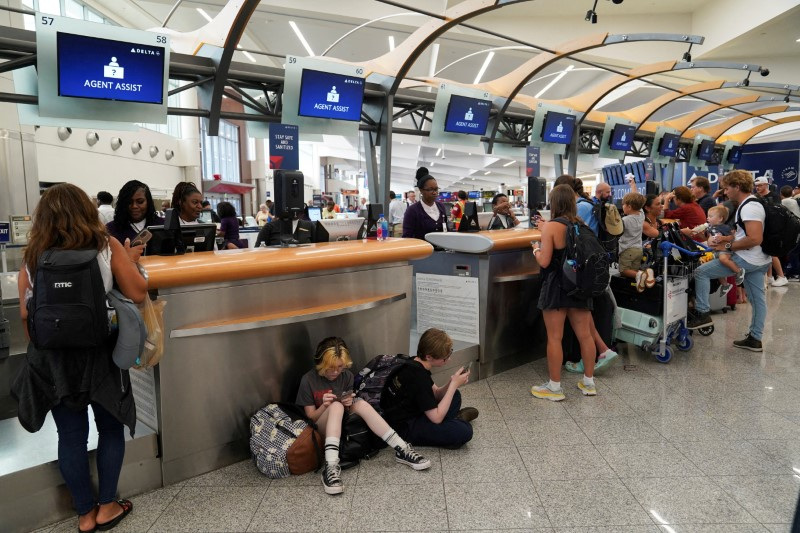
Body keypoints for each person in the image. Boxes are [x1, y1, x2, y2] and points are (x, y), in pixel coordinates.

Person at [12, 184, 147, 533]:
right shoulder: (105, 246)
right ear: (87, 212)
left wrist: (46, 350)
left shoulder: (32, 256)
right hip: (100, 354)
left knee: (70, 437)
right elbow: (137, 292)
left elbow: (27, 316)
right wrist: (127, 263)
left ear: (43, 218)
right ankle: (108, 506)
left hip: (55, 360)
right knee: (110, 428)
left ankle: (85, 515)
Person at [296, 337, 430, 495]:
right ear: (321, 364)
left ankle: (402, 448)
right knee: (336, 406)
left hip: (341, 424)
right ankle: (331, 467)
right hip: (320, 429)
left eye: (340, 367)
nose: (335, 372)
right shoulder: (308, 380)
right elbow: (310, 418)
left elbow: (347, 406)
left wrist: (348, 402)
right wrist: (325, 406)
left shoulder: (346, 376)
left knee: (361, 404)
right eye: (330, 367)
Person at [689, 170, 772, 352]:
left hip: (748, 258)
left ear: (737, 186)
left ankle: (702, 313)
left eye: (727, 188)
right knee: (758, 300)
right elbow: (744, 235)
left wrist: (726, 248)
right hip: (760, 259)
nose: (725, 192)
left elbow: (754, 238)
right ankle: (755, 339)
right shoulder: (751, 204)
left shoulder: (749, 206)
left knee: (701, 272)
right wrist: (726, 240)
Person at [530, 185, 597, 400]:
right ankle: (588, 383)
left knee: (555, 338)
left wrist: (535, 249)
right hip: (580, 287)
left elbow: (545, 261)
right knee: (585, 336)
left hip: (556, 287)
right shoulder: (582, 224)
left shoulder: (551, 226)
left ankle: (554, 388)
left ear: (554, 203)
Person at [553, 175, 619, 375]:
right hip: (593, 267)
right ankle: (601, 352)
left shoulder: (578, 208)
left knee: (581, 319)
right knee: (585, 316)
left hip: (579, 271)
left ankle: (586, 361)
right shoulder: (588, 204)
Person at [380, 328, 477, 448]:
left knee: (455, 395)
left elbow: (435, 393)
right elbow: (436, 418)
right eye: (445, 358)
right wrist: (453, 386)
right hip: (405, 428)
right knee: (465, 431)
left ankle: (452, 422)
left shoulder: (414, 363)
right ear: (429, 357)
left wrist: (452, 382)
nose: (448, 359)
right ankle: (456, 421)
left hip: (414, 411)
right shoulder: (418, 378)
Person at [690, 205, 742, 289]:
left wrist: (723, 238)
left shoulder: (724, 228)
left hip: (724, 250)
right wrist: (699, 233)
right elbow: (706, 238)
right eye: (708, 216)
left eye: (710, 216)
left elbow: (732, 237)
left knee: (723, 259)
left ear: (720, 219)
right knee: (712, 267)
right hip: (714, 251)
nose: (707, 218)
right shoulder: (710, 228)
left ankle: (738, 271)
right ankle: (725, 285)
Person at [105, 180, 164, 245]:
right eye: (129, 202)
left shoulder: (162, 225)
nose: (134, 206)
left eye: (140, 202)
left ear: (148, 202)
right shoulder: (110, 229)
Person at [754, 177, 789, 287]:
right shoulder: (757, 197)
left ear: (766, 185)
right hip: (762, 227)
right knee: (765, 253)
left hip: (772, 228)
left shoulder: (774, 196)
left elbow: (775, 211)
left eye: (760, 185)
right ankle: (769, 277)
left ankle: (781, 276)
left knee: (771, 253)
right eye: (756, 186)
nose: (757, 188)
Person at [618, 191, 655, 292]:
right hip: (639, 249)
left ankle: (642, 274)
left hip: (627, 250)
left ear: (629, 207)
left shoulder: (625, 220)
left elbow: (615, 230)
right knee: (632, 271)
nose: (623, 206)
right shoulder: (641, 215)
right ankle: (640, 278)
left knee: (624, 271)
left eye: (623, 204)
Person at [402, 174, 448, 239]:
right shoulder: (412, 210)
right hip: (422, 248)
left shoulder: (441, 207)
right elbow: (407, 236)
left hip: (441, 248)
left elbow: (446, 229)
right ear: (421, 190)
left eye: (436, 189)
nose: (434, 192)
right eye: (430, 189)